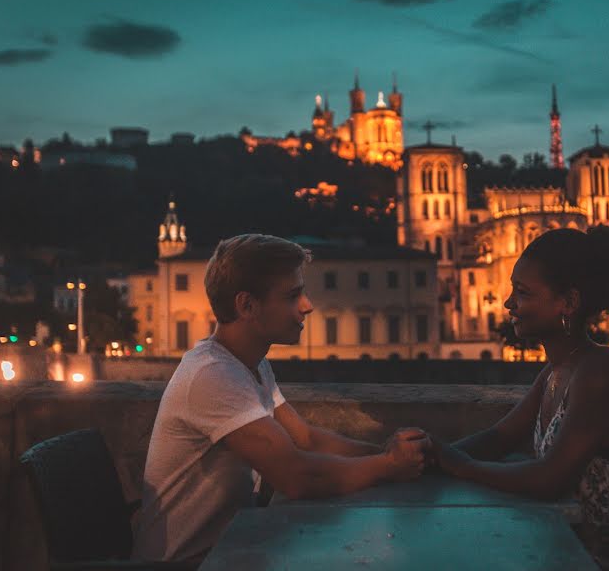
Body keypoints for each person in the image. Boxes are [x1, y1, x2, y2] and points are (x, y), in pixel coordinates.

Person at [133, 234, 430, 563]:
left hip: (230, 553)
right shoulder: (212, 374)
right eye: (293, 295)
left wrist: (388, 454)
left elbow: (304, 438)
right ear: (247, 306)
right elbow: (296, 476)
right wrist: (388, 465)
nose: (308, 305)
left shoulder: (251, 363)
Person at [429, 226, 609, 570]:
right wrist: (429, 454)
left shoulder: (600, 371)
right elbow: (498, 438)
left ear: (567, 302)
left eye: (522, 293)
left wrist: (458, 465)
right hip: (584, 554)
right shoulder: (554, 374)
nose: (509, 303)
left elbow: (551, 478)